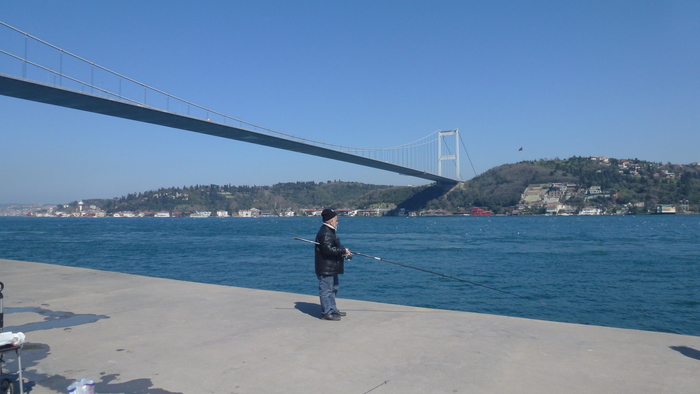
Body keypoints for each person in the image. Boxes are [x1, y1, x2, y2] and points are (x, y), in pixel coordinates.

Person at [315, 208, 351, 321]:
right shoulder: (325, 233)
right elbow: (328, 250)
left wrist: (343, 252)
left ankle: (333, 309)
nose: (337, 222)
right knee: (326, 290)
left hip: (332, 267)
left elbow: (334, 247)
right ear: (331, 221)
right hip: (326, 268)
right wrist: (342, 251)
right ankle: (326, 312)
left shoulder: (330, 231)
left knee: (334, 288)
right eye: (336, 220)